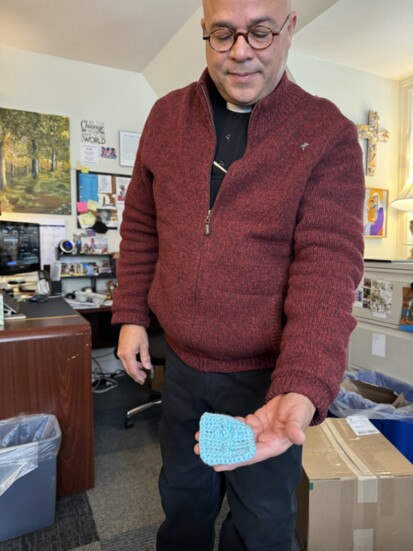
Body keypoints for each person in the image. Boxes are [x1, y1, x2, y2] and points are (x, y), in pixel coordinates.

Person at [112, 0, 365, 549]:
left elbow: (327, 269)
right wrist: (132, 314)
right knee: (184, 501)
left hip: (260, 384)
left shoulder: (326, 134)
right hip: (181, 370)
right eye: (222, 34)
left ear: (290, 28)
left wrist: (301, 384)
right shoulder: (165, 117)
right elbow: (141, 224)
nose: (240, 53)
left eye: (260, 32)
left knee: (260, 524)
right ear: (203, 31)